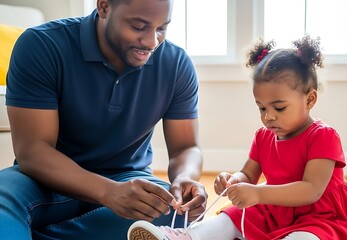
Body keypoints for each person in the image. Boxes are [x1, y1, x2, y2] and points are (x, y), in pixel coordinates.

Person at [127, 35, 347, 240]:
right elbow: (249, 174)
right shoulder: (264, 136)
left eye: (279, 107)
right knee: (231, 216)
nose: (269, 117)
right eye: (262, 108)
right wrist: (233, 180)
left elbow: (311, 190)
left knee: (305, 237)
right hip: (276, 210)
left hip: (321, 217)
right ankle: (185, 237)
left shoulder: (323, 136)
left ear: (309, 99)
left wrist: (258, 194)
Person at [0, 0, 208, 239]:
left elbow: (186, 147)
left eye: (162, 28)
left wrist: (185, 178)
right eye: (138, 26)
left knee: (171, 212)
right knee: (2, 197)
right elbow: (33, 151)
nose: (152, 42)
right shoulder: (42, 45)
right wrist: (108, 192)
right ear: (104, 7)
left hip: (126, 178)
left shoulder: (177, 64)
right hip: (44, 181)